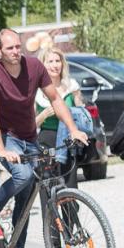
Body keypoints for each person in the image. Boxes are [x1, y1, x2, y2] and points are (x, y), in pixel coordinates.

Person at [0, 29, 88, 248]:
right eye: (10, 48)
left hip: (30, 137)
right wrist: (2, 150)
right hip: (7, 138)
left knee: (27, 194)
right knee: (24, 176)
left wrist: (73, 129)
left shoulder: (34, 67)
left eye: (18, 46)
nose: (16, 52)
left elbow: (56, 99)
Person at [34, 48, 84, 189]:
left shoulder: (71, 86)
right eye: (50, 61)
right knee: (48, 185)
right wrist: (44, 115)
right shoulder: (36, 91)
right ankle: (49, 211)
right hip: (47, 139)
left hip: (67, 140)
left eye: (58, 61)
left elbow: (81, 111)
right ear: (42, 65)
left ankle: (71, 210)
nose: (55, 65)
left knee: (70, 185)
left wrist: (77, 111)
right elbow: (31, 125)